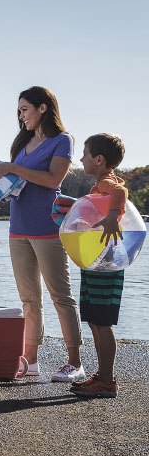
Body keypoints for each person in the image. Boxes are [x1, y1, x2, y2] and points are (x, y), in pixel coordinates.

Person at [0, 86, 84, 382]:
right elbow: (18, 182)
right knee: (28, 299)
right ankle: (30, 360)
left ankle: (75, 362)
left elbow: (53, 178)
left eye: (25, 109)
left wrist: (14, 167)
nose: (21, 115)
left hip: (47, 228)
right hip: (18, 229)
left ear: (43, 108)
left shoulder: (62, 140)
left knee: (61, 297)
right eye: (19, 110)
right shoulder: (23, 142)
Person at [70, 133, 128, 398]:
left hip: (106, 262)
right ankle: (102, 377)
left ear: (99, 159)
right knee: (95, 320)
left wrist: (114, 215)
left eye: (85, 153)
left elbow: (120, 193)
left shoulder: (108, 182)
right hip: (97, 261)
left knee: (102, 322)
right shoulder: (100, 185)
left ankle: (106, 381)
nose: (81, 158)